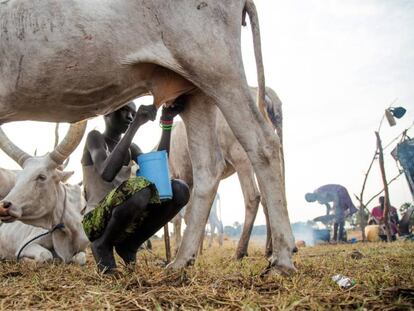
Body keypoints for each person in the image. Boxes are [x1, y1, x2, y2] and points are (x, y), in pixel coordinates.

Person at [81, 99, 189, 273]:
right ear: (107, 113)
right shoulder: (95, 138)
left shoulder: (131, 147)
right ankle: (102, 245)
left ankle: (130, 245)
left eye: (133, 113)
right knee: (140, 189)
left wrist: (167, 123)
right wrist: (136, 124)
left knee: (179, 189)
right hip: (95, 220)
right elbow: (107, 173)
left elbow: (157, 170)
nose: (130, 117)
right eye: (125, 111)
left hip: (123, 217)